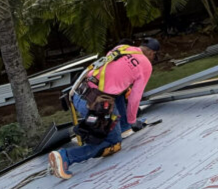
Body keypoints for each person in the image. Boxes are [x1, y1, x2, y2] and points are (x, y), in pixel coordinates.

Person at [48, 38, 159, 179]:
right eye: (154, 55)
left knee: (119, 91)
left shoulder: (122, 48)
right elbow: (134, 98)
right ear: (151, 53)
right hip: (96, 105)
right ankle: (66, 157)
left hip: (79, 94)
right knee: (113, 143)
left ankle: (123, 127)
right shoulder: (146, 65)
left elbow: (110, 77)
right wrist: (132, 120)